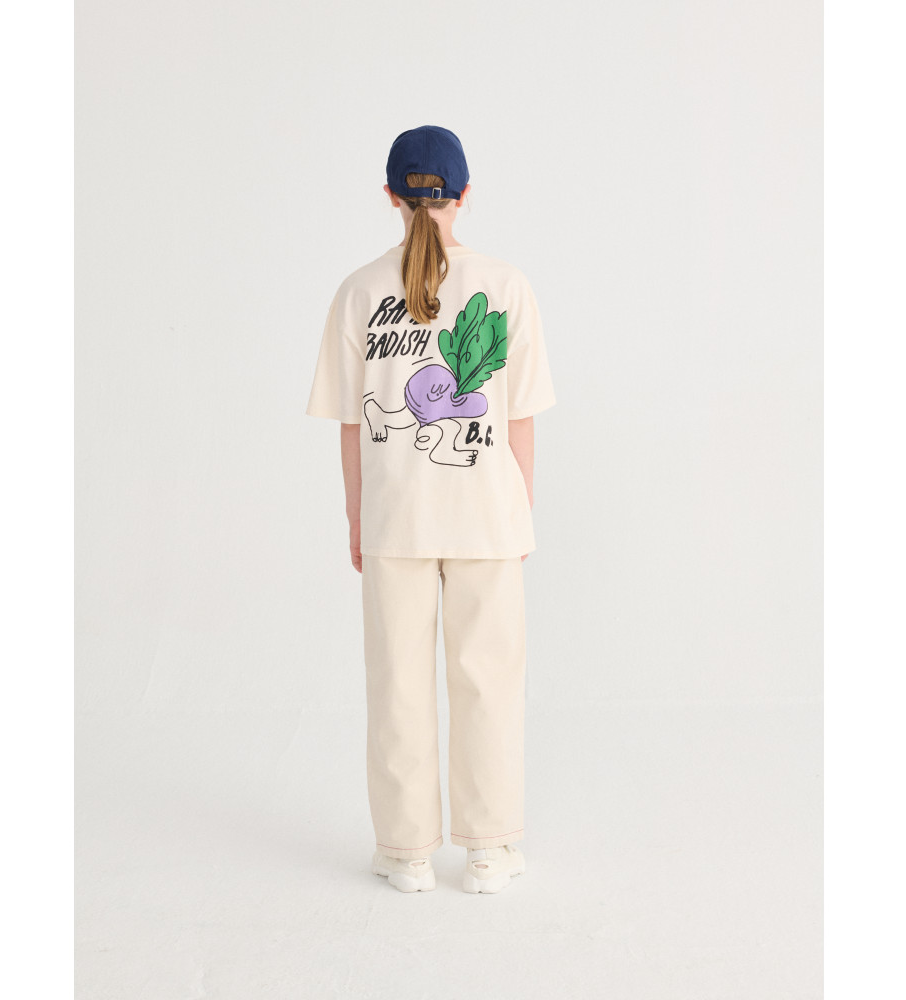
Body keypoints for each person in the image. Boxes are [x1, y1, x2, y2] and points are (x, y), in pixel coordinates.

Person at [305, 125, 556, 894]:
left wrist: (358, 519)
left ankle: (406, 851)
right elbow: (519, 418)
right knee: (489, 682)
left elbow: (352, 425)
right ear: (465, 194)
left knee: (398, 684)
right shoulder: (507, 285)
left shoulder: (358, 291)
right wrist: (519, 511)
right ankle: (488, 851)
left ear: (390, 195)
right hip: (486, 517)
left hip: (396, 519)